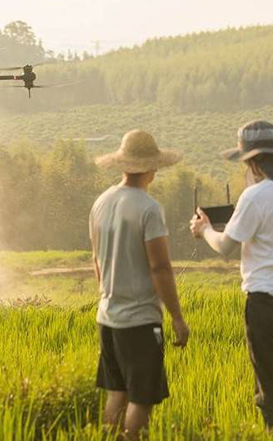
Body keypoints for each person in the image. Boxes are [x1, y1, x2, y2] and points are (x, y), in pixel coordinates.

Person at [190, 120, 273, 430]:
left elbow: (225, 246)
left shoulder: (256, 196)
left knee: (270, 390)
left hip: (266, 304)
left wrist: (204, 229)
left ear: (254, 161)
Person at [90, 129, 190, 440]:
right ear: (151, 167)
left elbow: (96, 261)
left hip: (108, 316)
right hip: (139, 321)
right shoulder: (148, 208)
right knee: (142, 400)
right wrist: (176, 317)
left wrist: (107, 295)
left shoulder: (101, 203)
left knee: (116, 393)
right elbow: (159, 266)